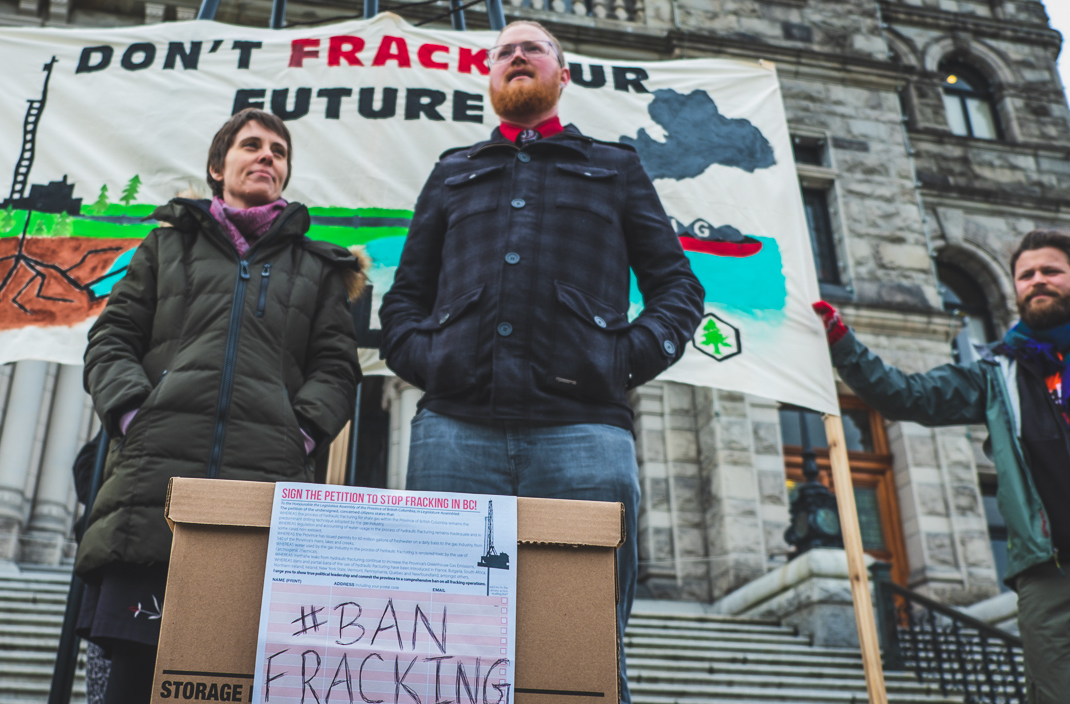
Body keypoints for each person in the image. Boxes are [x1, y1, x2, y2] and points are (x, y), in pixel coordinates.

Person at [377, 21, 706, 704]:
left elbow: (678, 287)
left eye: (535, 48)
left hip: (586, 436)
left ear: (563, 76)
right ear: (490, 81)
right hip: (453, 432)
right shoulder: (453, 171)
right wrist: (427, 360)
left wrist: (621, 359)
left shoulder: (615, 167)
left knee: (581, 645)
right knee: (445, 646)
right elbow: (405, 296)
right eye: (504, 51)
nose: (518, 55)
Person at [814, 230, 1070, 703]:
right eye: (1026, 275)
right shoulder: (995, 375)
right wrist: (842, 344)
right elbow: (908, 396)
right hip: (1053, 578)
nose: (1037, 281)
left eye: (1051, 271)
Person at [78, 109, 364, 704]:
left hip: (260, 505)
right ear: (218, 167)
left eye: (279, 151)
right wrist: (137, 415)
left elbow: (337, 369)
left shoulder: (317, 269)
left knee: (231, 684)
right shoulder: (164, 247)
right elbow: (111, 339)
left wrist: (299, 434)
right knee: (131, 684)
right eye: (252, 145)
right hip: (152, 498)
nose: (267, 157)